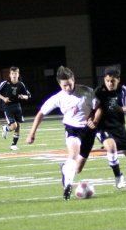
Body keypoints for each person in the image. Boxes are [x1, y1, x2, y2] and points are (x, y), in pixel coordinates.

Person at [26, 66, 96, 200]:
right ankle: (68, 186)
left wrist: (94, 118)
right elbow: (40, 113)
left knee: (78, 168)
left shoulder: (87, 92)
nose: (68, 88)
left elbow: (98, 108)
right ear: (59, 84)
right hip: (72, 129)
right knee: (73, 154)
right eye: (64, 86)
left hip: (88, 131)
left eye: (70, 84)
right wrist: (31, 133)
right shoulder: (58, 98)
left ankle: (65, 168)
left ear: (74, 79)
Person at [90, 66, 126, 193]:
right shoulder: (99, 91)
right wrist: (91, 120)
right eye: (107, 81)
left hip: (119, 126)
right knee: (111, 147)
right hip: (103, 127)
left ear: (118, 80)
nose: (110, 83)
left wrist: (119, 108)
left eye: (113, 81)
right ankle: (118, 175)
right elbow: (91, 108)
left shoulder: (124, 90)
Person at [0, 66, 31, 151]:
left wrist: (23, 96)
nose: (14, 75)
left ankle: (13, 145)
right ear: (10, 75)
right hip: (7, 107)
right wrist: (4, 99)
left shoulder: (20, 84)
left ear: (18, 74)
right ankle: (5, 128)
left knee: (18, 126)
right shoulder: (5, 83)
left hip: (17, 106)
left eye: (15, 73)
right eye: (12, 74)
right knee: (13, 126)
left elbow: (28, 95)